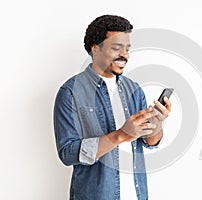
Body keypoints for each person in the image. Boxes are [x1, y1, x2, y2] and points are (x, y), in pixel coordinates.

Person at [53, 14, 171, 200]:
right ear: (95, 49)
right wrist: (121, 135)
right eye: (117, 48)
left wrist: (156, 124)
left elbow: (149, 143)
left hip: (136, 194)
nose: (125, 55)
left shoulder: (134, 90)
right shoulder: (70, 92)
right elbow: (67, 153)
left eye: (127, 49)